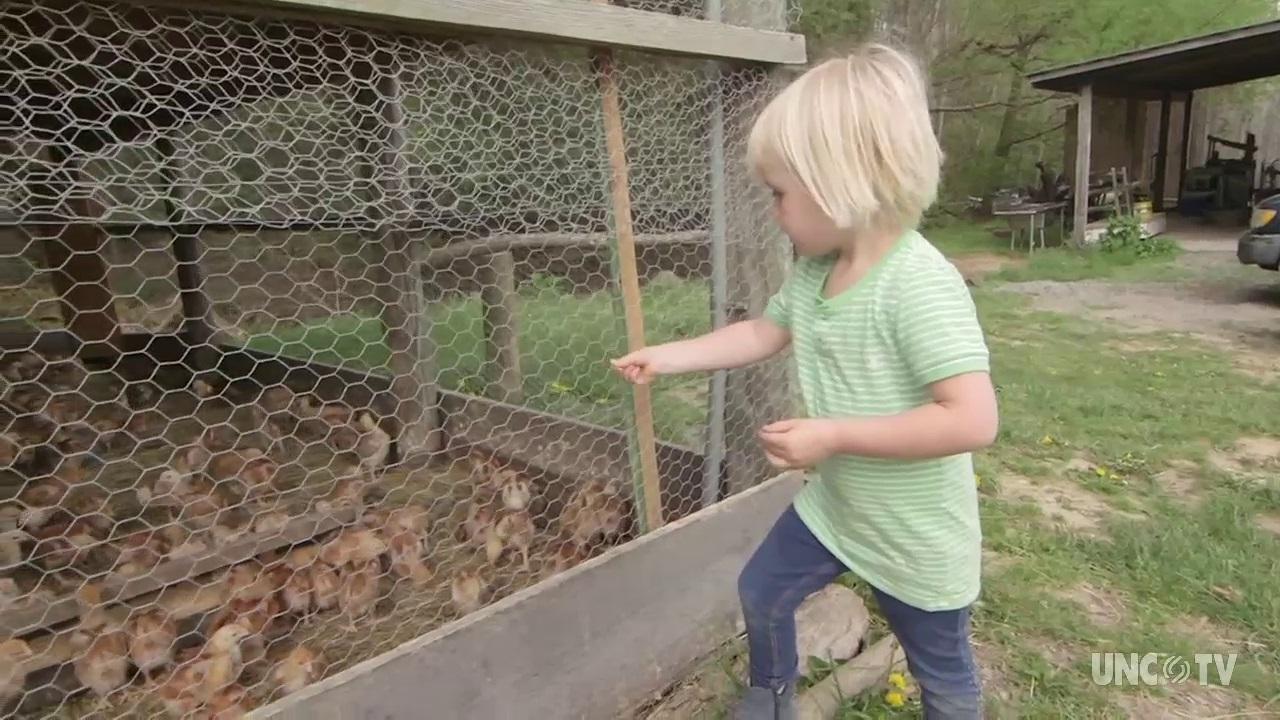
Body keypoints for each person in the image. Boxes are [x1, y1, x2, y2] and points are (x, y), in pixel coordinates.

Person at [610, 43, 997, 720]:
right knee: (762, 590)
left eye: (780, 193)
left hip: (915, 535)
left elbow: (971, 419)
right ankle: (772, 697)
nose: (775, 210)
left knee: (945, 680)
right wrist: (672, 355)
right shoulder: (817, 273)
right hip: (840, 512)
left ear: (839, 182)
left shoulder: (918, 284)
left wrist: (834, 435)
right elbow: (763, 332)